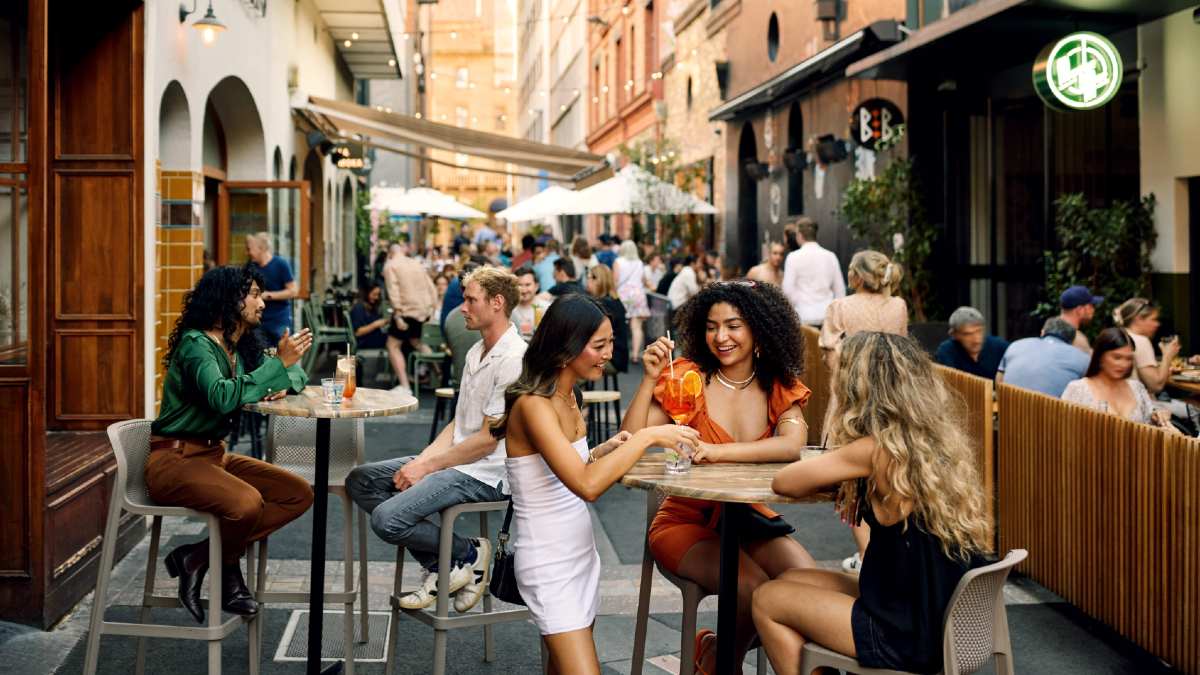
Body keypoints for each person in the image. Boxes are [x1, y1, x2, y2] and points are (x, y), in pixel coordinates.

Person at [754, 332, 992, 675]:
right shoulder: (930, 445)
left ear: (860, 389)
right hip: (931, 612)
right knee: (794, 578)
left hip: (903, 634)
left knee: (767, 599)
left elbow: (785, 482)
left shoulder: (875, 449)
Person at [491, 293, 699, 674]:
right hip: (548, 562)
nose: (608, 354)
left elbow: (588, 462)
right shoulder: (533, 405)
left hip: (580, 555)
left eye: (610, 343)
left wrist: (648, 383)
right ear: (566, 347)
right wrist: (650, 438)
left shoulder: (569, 394)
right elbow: (587, 485)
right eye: (598, 345)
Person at [623, 280, 818, 673]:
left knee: (809, 588)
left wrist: (714, 452)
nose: (721, 337)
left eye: (733, 325)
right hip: (684, 522)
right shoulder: (689, 379)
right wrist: (648, 380)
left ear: (759, 329)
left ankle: (712, 656)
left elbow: (792, 444)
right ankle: (718, 665)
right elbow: (631, 439)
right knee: (753, 592)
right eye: (712, 327)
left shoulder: (776, 382)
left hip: (749, 519)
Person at [345, 267, 527, 613]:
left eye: (471, 300)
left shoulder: (514, 358)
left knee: (387, 520)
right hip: (460, 459)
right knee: (361, 480)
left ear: (497, 303)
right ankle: (454, 563)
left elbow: (488, 440)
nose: (463, 307)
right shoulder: (477, 351)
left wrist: (427, 465)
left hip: (487, 472)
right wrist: (421, 463)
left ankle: (469, 554)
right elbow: (460, 422)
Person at [149, 265, 315, 623]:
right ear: (229, 299)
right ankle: (228, 576)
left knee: (298, 493)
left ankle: (196, 557)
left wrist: (284, 376)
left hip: (212, 457)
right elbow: (221, 397)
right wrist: (275, 370)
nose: (262, 302)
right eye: (253, 294)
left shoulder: (236, 347)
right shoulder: (197, 345)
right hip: (174, 461)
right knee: (246, 503)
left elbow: (297, 374)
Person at [819, 250, 907, 574]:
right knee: (886, 477)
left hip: (850, 401)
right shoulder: (898, 306)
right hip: (891, 401)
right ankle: (883, 555)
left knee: (851, 483)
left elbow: (831, 356)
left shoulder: (840, 307)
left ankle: (866, 553)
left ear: (855, 276)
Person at [1061, 327, 1178, 432]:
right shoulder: (1078, 389)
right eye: (1117, 357)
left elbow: (1150, 422)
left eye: (1129, 359)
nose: (1124, 364)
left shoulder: (1136, 387)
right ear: (1100, 357)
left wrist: (1159, 416)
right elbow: (1064, 431)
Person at [383, 241, 438, 394]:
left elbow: (393, 291)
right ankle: (438, 374)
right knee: (417, 342)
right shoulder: (416, 263)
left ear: (390, 253)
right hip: (423, 311)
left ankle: (405, 385)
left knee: (392, 345)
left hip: (406, 311)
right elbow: (431, 287)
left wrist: (398, 314)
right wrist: (432, 309)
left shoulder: (391, 265)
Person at [996, 317, 1090, 398]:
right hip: (1052, 417)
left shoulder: (1015, 345)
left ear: (1042, 332)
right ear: (1072, 341)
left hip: (1009, 414)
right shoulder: (1082, 358)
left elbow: (999, 380)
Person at [781, 217, 845, 325]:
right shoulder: (830, 256)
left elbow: (787, 290)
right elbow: (840, 290)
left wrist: (800, 304)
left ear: (799, 235)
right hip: (827, 317)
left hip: (803, 316)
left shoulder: (793, 257)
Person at [1113, 297, 1181, 394]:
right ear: (1138, 319)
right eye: (1154, 319)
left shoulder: (1118, 335)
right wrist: (1167, 355)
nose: (1157, 324)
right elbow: (1156, 386)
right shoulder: (1140, 341)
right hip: (1140, 405)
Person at [245, 232, 298, 343]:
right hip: (258, 321)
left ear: (262, 248)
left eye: (250, 249)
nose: (248, 253)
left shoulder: (280, 264)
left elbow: (293, 291)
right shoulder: (251, 267)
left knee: (280, 354)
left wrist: (268, 295)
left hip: (278, 320)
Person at [935, 306, 1010, 380]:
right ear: (954, 334)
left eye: (979, 331)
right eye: (968, 334)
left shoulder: (999, 346)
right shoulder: (946, 351)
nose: (976, 340)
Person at [585, 264, 630, 372]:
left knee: (572, 366)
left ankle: (572, 389)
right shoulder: (614, 301)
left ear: (597, 280)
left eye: (589, 278)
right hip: (618, 356)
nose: (587, 281)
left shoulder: (604, 305)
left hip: (611, 358)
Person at [614, 240, 650, 362]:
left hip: (623, 295)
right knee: (637, 327)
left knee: (619, 324)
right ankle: (635, 355)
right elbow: (643, 279)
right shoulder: (639, 263)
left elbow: (615, 280)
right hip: (638, 295)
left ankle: (617, 352)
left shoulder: (618, 262)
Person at [1059, 285, 1102, 353]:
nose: (1093, 310)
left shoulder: (1047, 332)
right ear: (1080, 310)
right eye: (1091, 306)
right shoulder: (1077, 339)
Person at [349, 282, 389, 351]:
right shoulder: (358, 308)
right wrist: (375, 325)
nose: (376, 297)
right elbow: (358, 332)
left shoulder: (371, 307)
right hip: (364, 342)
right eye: (374, 294)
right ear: (367, 293)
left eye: (378, 295)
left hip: (371, 338)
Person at [511, 265, 547, 341]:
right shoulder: (509, 309)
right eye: (519, 285)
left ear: (536, 286)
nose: (524, 290)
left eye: (528, 285)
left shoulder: (546, 308)